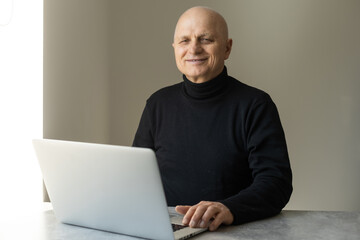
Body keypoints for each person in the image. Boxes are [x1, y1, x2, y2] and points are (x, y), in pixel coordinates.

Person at [133, 6, 292, 231]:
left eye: (205, 39)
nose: (194, 49)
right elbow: (136, 178)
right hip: (166, 231)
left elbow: (277, 184)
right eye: (184, 41)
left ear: (227, 48)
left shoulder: (256, 105)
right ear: (174, 48)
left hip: (231, 230)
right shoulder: (157, 104)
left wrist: (228, 208)